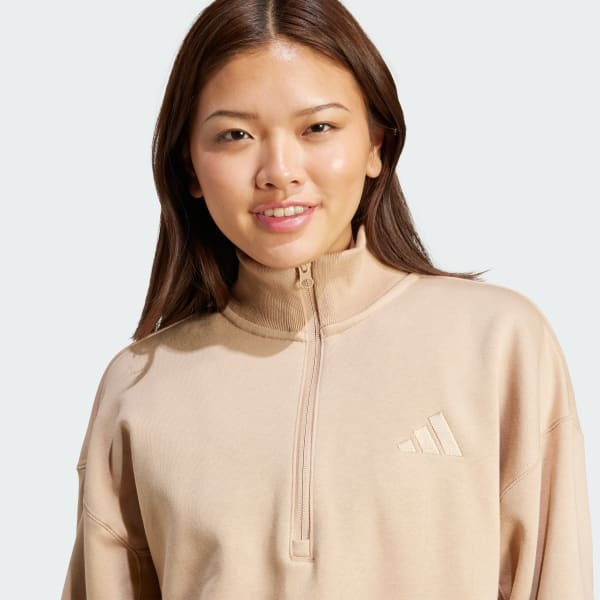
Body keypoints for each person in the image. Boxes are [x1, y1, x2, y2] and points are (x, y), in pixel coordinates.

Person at [60, 0, 594, 598]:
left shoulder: (498, 344)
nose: (279, 171)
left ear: (376, 146)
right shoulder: (139, 388)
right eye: (235, 135)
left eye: (317, 128)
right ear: (190, 167)